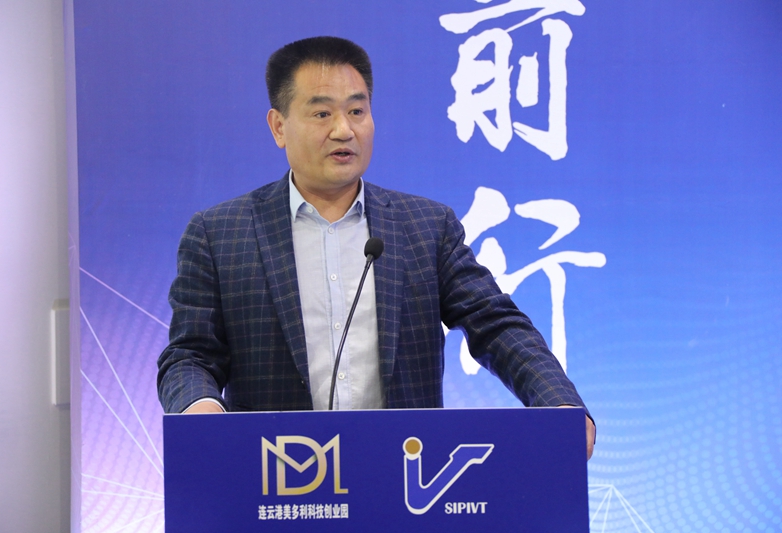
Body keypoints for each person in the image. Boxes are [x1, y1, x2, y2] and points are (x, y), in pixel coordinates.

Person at [157, 36, 595, 459]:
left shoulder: (425, 227)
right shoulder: (220, 234)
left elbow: (495, 325)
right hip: (280, 477)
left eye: (357, 111)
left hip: (405, 474)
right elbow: (190, 354)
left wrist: (557, 401)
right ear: (278, 127)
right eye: (322, 113)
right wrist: (201, 411)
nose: (344, 130)